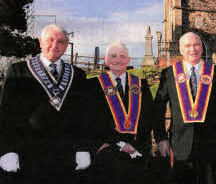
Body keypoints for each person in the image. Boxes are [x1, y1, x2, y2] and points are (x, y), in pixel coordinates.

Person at [0, 24, 92, 184]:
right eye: (50, 40)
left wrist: (83, 148)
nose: (55, 45)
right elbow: (6, 114)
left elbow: (84, 115)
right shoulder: (17, 71)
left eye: (61, 42)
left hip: (67, 155)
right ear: (40, 42)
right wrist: (7, 150)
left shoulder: (78, 75)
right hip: (28, 153)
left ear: (65, 47)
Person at [154, 32, 216, 184]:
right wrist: (161, 138)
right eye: (187, 46)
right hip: (179, 145)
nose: (192, 49)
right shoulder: (169, 74)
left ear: (201, 47)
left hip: (210, 145)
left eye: (196, 44)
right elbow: (158, 109)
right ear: (181, 50)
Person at [88, 42, 157, 184]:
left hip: (136, 151)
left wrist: (136, 146)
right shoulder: (94, 85)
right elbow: (90, 120)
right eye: (113, 56)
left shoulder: (140, 84)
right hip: (106, 150)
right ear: (106, 60)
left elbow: (148, 117)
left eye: (122, 56)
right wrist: (116, 144)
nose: (118, 60)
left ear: (128, 60)